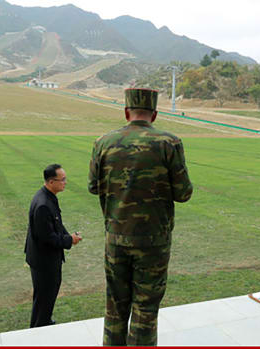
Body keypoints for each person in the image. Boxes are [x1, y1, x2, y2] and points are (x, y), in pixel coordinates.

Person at [88, 88, 193, 346]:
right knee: (146, 308)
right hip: (153, 242)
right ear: (154, 115)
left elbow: (93, 186)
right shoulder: (169, 143)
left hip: (116, 239)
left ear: (126, 112)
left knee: (115, 305)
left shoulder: (103, 142)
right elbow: (183, 193)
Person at [24, 164, 82, 328]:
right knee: (45, 298)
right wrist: (69, 241)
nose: (65, 182)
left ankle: (43, 322)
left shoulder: (48, 196)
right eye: (62, 180)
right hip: (44, 262)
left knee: (44, 298)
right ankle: (39, 329)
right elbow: (47, 238)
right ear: (50, 182)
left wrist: (69, 236)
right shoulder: (43, 204)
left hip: (44, 259)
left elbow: (55, 224)